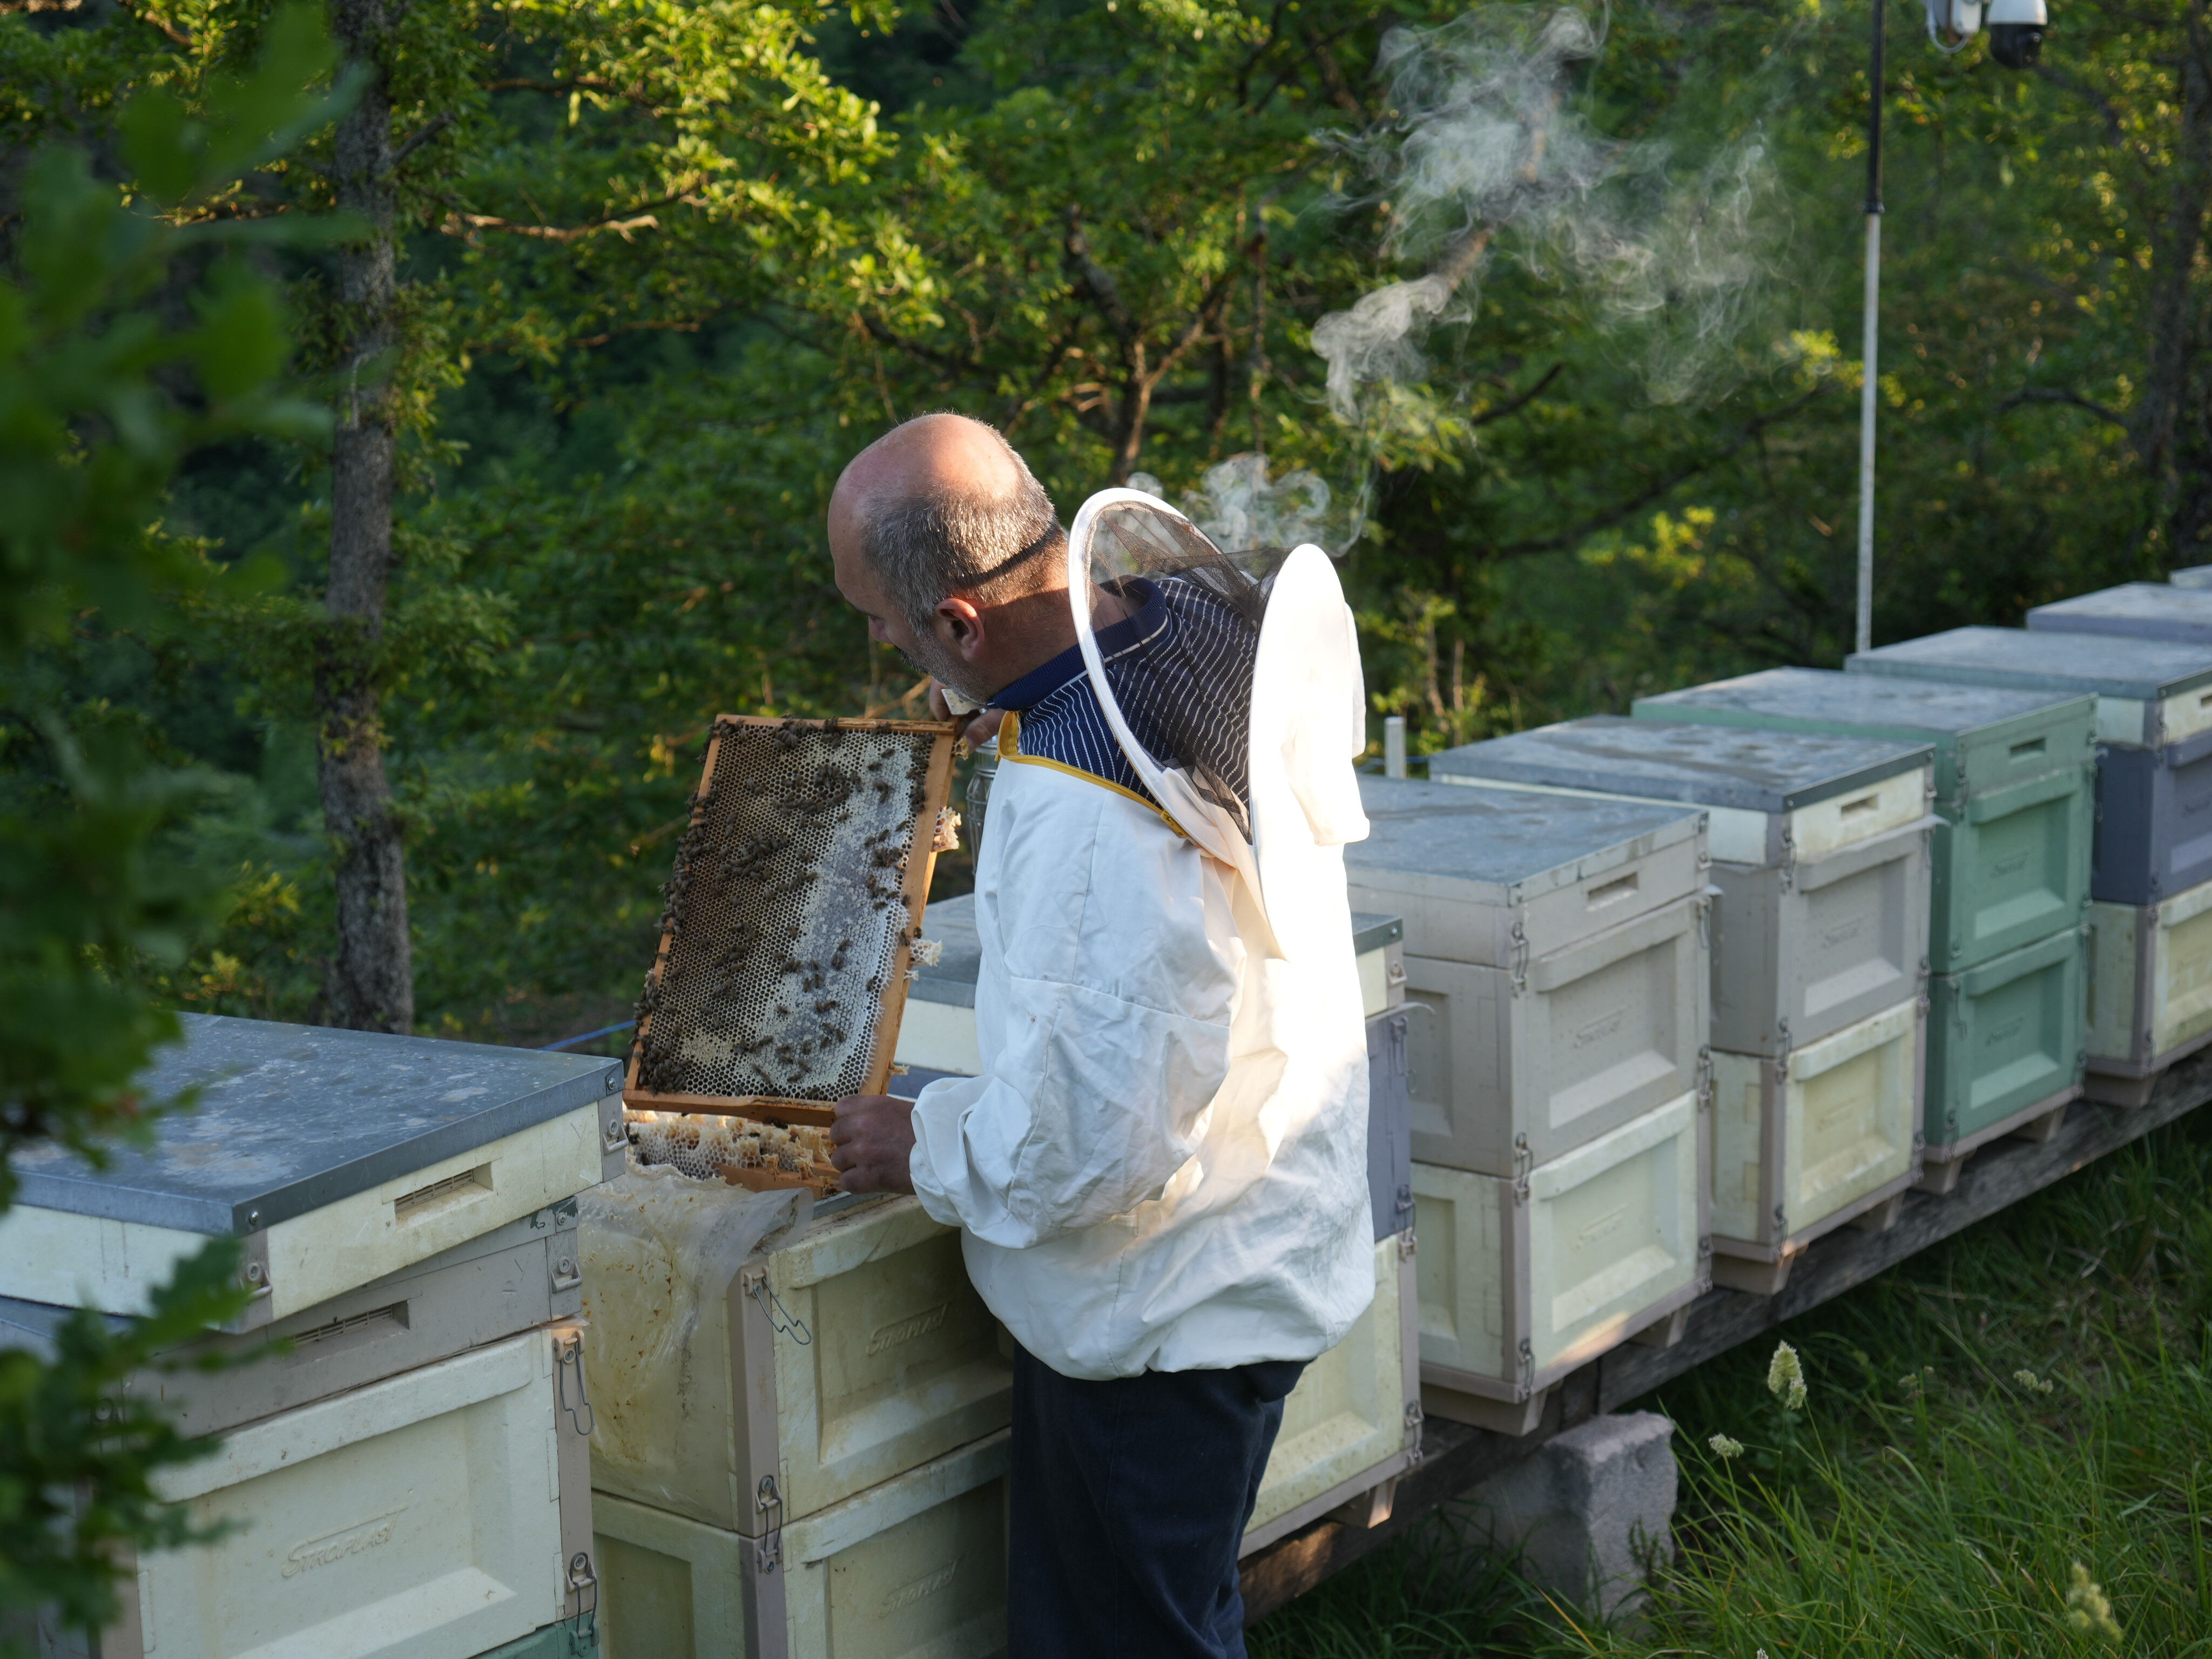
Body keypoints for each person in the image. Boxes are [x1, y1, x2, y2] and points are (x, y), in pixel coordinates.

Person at [825, 412, 1372, 1659]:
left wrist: (924, 1141)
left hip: (1165, 1311)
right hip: (1251, 1227)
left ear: (960, 619)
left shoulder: (1085, 825)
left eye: (887, 620)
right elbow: (1110, 729)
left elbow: (1091, 1146)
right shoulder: (1178, 621)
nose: (878, 640)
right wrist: (1006, 709)